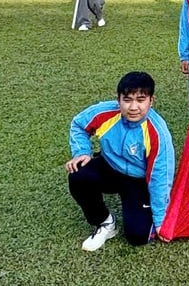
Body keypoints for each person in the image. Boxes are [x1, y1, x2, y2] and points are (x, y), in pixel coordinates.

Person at [65, 71, 175, 252]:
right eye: (127, 99)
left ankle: (138, 207)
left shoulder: (158, 133)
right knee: (78, 174)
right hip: (109, 166)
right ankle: (105, 223)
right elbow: (78, 124)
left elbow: (160, 176)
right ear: (118, 100)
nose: (133, 107)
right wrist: (82, 152)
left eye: (140, 100)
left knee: (138, 236)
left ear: (151, 101)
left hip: (137, 180)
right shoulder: (105, 113)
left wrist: (161, 221)